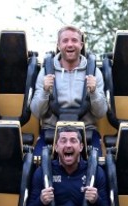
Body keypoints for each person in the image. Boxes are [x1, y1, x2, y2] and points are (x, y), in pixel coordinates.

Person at [30, 25, 107, 156]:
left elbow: (101, 112)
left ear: (81, 45)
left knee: (99, 167)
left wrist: (93, 93)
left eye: (74, 40)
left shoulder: (94, 72)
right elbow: (36, 112)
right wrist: (44, 91)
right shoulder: (45, 72)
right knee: (36, 163)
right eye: (65, 41)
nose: (70, 44)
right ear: (59, 45)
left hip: (86, 131)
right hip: (52, 131)